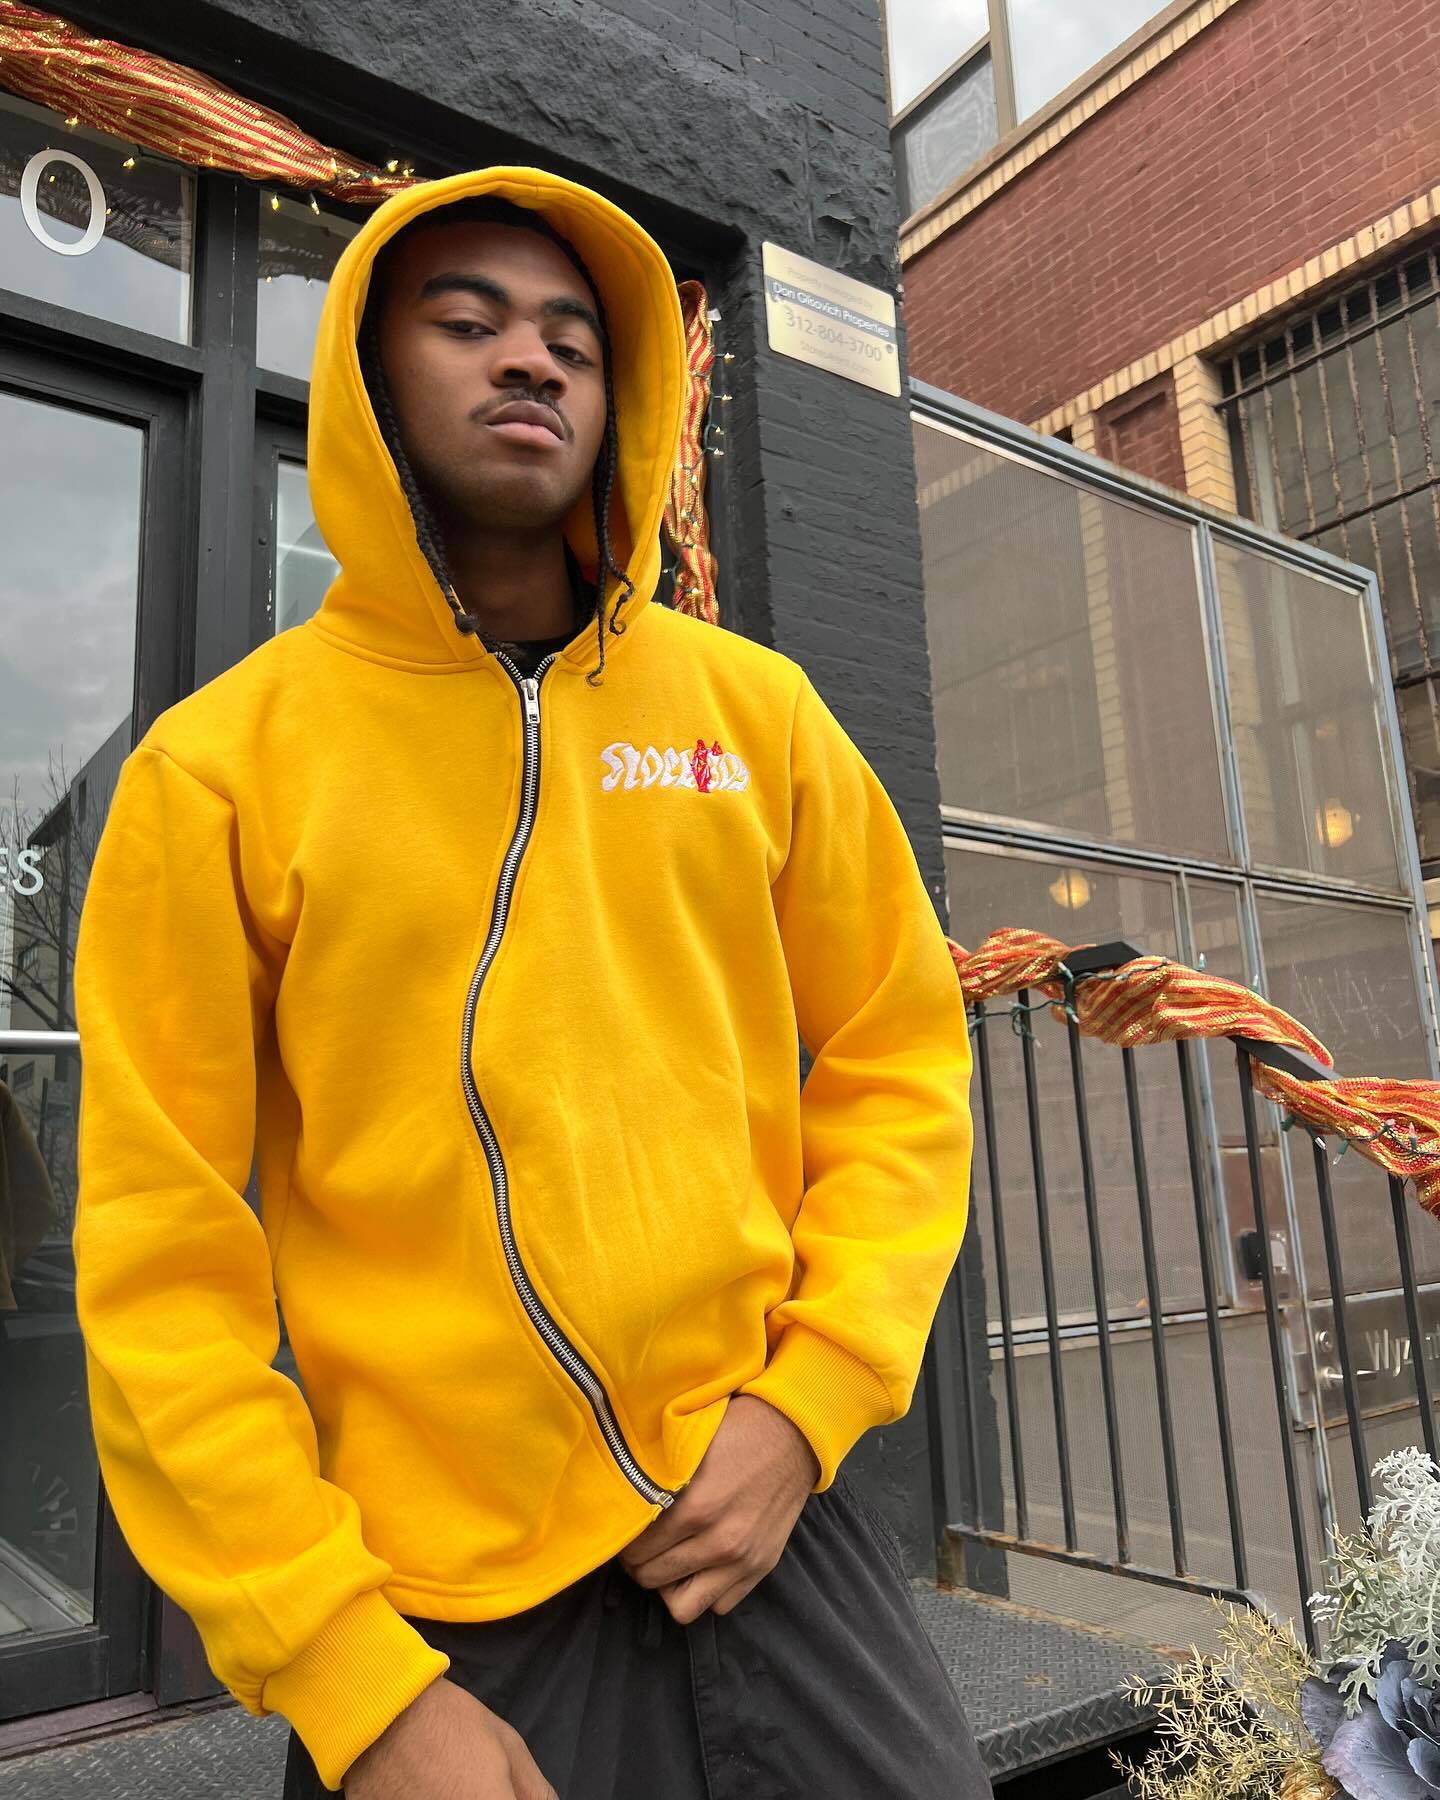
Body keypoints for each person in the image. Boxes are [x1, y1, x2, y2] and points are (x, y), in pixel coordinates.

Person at [71, 167, 990, 1800]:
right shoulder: (218, 774)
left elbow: (898, 1060)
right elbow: (164, 1266)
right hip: (443, 1609)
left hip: (767, 1516)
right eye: (469, 322)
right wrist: (351, 1680)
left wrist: (809, 1405)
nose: (532, 360)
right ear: (367, 379)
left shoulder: (756, 717)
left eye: (573, 337)